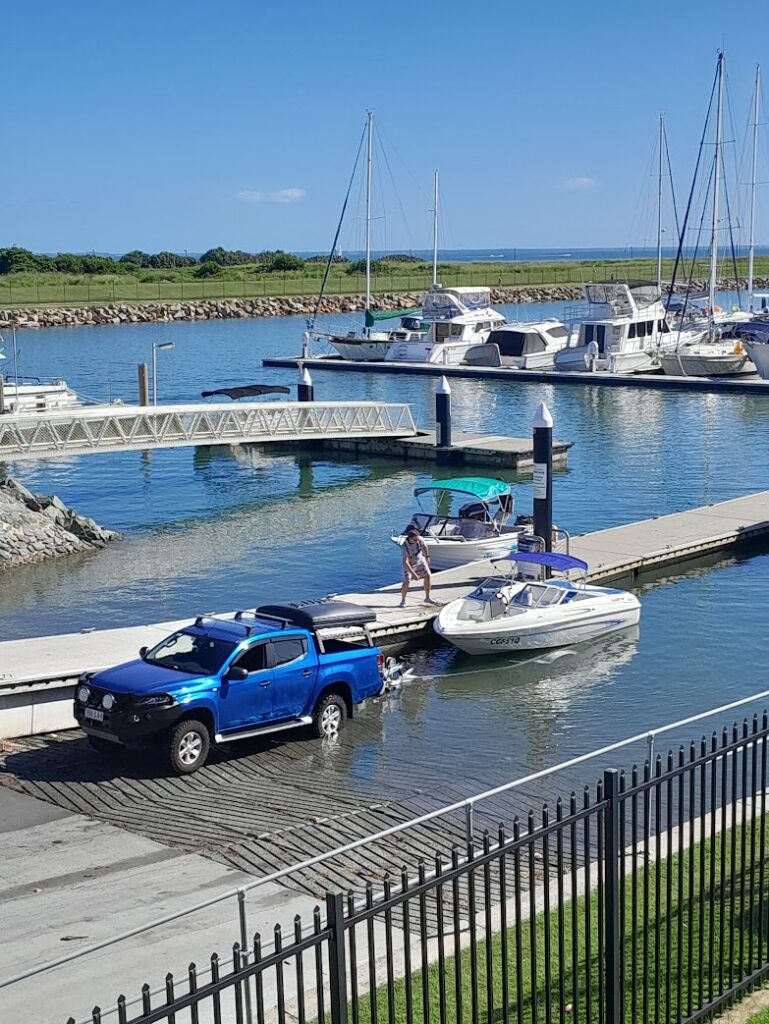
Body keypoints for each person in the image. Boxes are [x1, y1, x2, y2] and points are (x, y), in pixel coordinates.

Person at [399, 527, 437, 608]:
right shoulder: (404, 546)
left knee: (428, 576)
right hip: (409, 564)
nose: (417, 541)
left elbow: (425, 546)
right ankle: (403, 600)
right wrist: (413, 574)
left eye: (417, 539)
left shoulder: (419, 539)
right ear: (410, 538)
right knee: (406, 581)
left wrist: (427, 557)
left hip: (420, 560)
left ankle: (427, 598)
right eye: (414, 540)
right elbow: (405, 562)